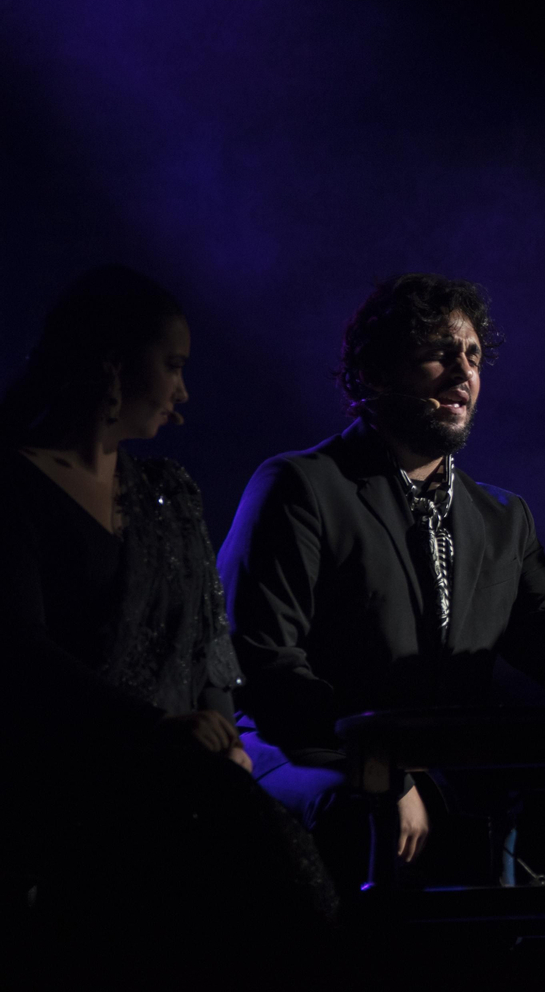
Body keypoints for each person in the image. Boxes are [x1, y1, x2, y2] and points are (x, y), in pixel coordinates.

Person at [219, 273, 545, 897]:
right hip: (318, 753)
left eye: (473, 357)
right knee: (379, 821)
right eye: (440, 351)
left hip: (452, 770)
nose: (462, 372)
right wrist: (384, 768)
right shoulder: (301, 486)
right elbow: (264, 665)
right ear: (376, 372)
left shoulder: (504, 518)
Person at [1, 266, 335, 974]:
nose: (183, 392)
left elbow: (208, 640)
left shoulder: (167, 494)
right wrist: (152, 729)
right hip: (69, 771)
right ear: (113, 364)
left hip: (185, 772)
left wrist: (224, 740)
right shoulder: (14, 487)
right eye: (173, 366)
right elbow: (17, 650)